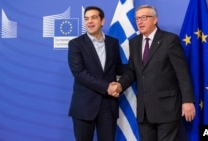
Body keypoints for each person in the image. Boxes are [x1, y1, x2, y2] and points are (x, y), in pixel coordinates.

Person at [109, 5, 196, 141]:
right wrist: (120, 86)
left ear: (155, 20)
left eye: (144, 18)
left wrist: (188, 101)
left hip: (167, 109)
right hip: (144, 111)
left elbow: (182, 73)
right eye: (137, 19)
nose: (139, 22)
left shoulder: (170, 40)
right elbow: (132, 71)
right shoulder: (135, 43)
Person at [67, 6, 126, 141]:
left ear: (102, 21)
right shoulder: (76, 44)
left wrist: (140, 65)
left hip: (108, 105)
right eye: (86, 18)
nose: (89, 21)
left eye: (94, 17)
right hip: (84, 106)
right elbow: (79, 73)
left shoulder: (112, 43)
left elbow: (117, 68)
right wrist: (107, 87)